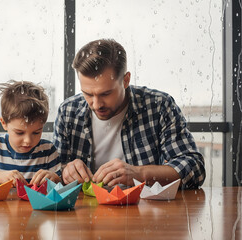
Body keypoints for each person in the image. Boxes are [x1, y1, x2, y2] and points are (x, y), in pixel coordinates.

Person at [53, 39, 205, 189]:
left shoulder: (159, 106)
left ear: (126, 80)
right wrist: (65, 173)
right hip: (85, 211)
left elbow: (194, 169)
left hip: (146, 211)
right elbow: (54, 172)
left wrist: (140, 174)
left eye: (106, 93)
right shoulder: (68, 112)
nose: (97, 104)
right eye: (87, 94)